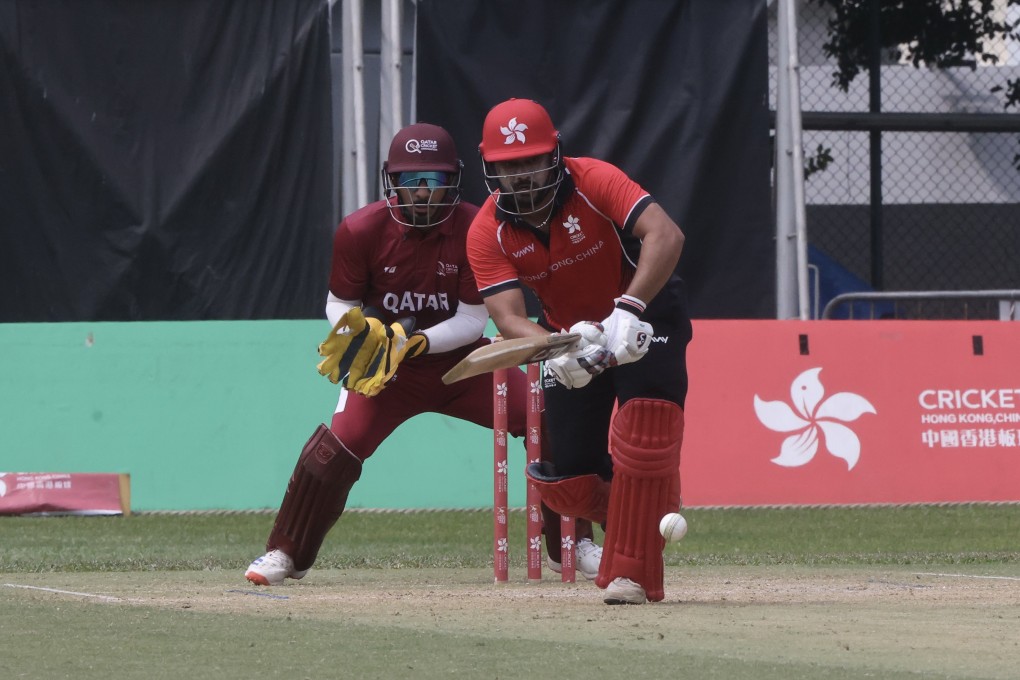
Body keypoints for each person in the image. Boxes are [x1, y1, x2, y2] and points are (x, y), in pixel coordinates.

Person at [245, 122, 601, 586]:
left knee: (546, 419)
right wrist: (355, 331)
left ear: (453, 180)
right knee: (334, 451)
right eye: (411, 181)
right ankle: (284, 554)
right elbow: (339, 303)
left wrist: (418, 343)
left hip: (464, 365)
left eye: (433, 181)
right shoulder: (360, 229)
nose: (422, 193)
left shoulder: (478, 226)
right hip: (386, 373)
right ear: (391, 180)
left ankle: (571, 544)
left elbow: (474, 319)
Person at [466, 99, 692, 605]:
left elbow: (666, 233)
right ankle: (646, 508)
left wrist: (629, 307)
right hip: (571, 334)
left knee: (646, 429)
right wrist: (555, 350)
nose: (521, 177)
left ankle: (632, 571)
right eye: (508, 166)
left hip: (645, 309)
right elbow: (506, 317)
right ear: (491, 169)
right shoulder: (487, 231)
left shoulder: (594, 180)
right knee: (565, 478)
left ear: (556, 156)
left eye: (531, 161)